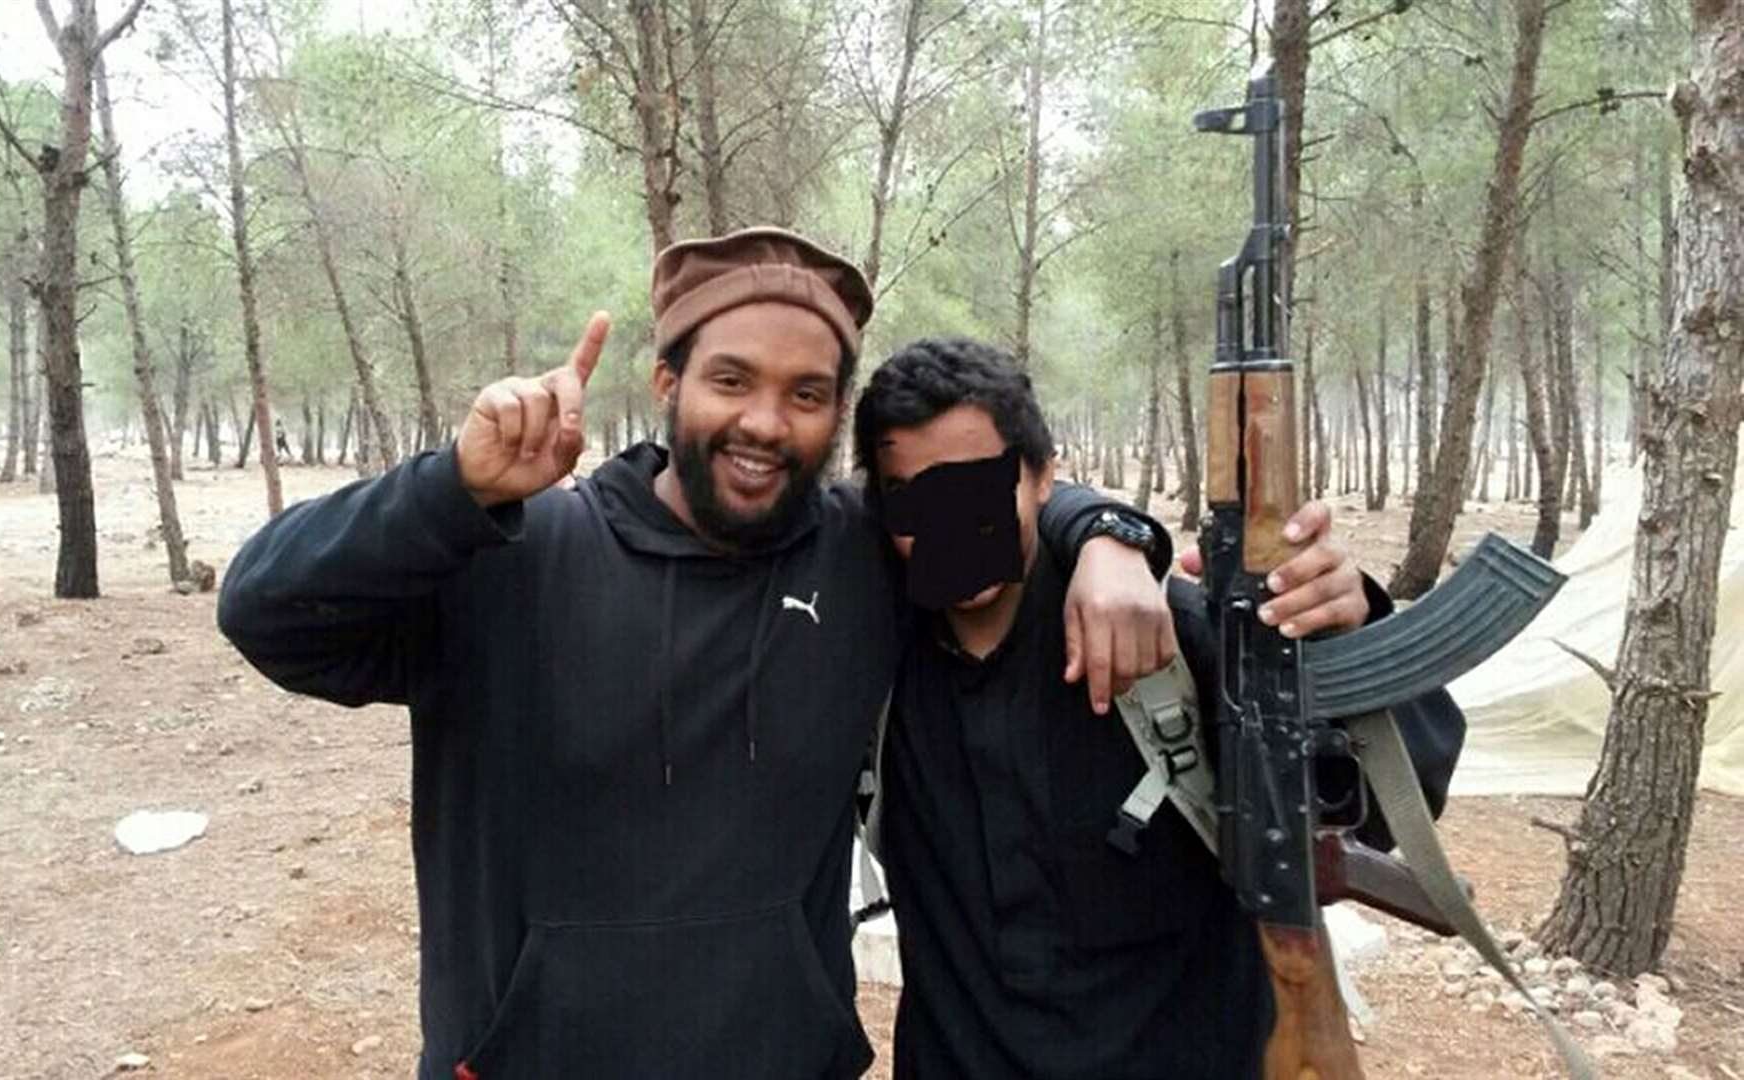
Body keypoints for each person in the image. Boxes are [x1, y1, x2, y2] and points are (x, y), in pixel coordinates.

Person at [217, 228, 1180, 1080]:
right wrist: (449, 489)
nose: (765, 421)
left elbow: (997, 493)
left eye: (806, 394)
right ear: (668, 384)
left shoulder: (860, 554)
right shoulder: (515, 556)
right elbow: (265, 612)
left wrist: (1108, 534)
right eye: (732, 380)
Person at [852, 337, 1466, 1079]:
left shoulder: (1174, 639)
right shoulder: (864, 657)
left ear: (1043, 477)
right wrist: (1109, 527)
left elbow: (1388, 802)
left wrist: (1344, 627)